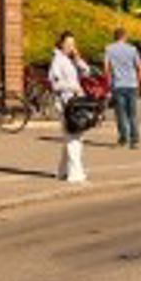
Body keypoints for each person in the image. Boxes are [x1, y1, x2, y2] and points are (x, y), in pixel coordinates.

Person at [49, 31, 88, 184]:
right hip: (65, 103)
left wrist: (78, 58)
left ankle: (62, 171)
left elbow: (86, 71)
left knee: (72, 136)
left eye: (73, 44)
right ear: (61, 44)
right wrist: (73, 87)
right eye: (68, 44)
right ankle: (75, 174)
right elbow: (55, 84)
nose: (71, 47)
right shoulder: (57, 60)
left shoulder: (69, 60)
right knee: (74, 137)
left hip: (75, 102)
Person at [103, 27, 141, 150]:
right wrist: (138, 81)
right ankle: (134, 140)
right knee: (133, 114)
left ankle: (123, 138)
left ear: (114, 37)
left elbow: (106, 68)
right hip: (132, 84)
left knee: (121, 114)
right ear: (125, 37)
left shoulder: (109, 49)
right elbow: (140, 67)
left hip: (118, 84)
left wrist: (109, 83)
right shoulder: (132, 49)